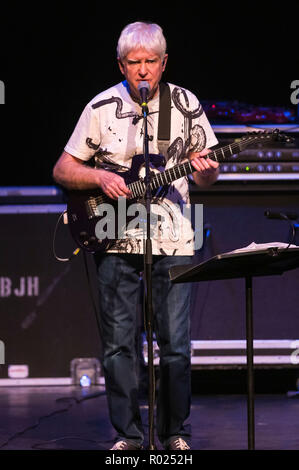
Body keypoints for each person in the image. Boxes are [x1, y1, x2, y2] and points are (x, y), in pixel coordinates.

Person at [53, 21, 219, 450]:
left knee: (176, 346)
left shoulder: (187, 104)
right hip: (112, 235)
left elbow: (207, 181)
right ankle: (127, 435)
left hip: (176, 238)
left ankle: (176, 433)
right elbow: (63, 169)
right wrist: (98, 177)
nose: (143, 71)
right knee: (118, 346)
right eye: (134, 63)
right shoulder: (102, 106)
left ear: (164, 63)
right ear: (121, 65)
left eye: (150, 62)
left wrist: (210, 169)